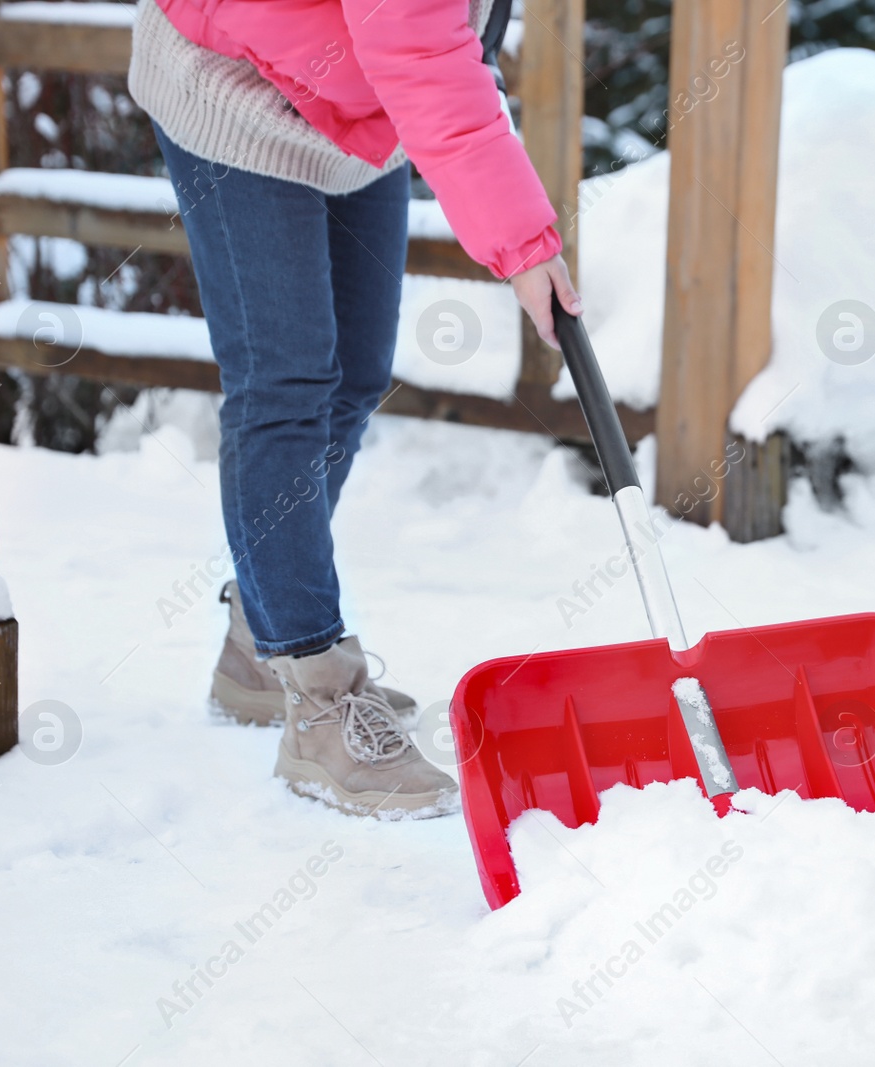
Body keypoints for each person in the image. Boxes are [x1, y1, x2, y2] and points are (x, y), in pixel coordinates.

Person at [128, 0, 580, 818]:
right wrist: (523, 247)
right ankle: (318, 699)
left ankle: (253, 648)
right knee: (284, 385)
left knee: (357, 375)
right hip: (236, 91)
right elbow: (423, 53)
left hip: (355, 102)